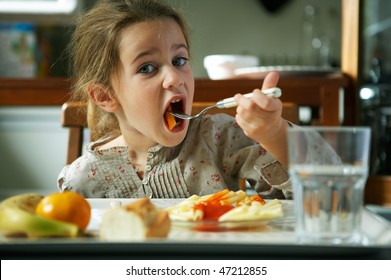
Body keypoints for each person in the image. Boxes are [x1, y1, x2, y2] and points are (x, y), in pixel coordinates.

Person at [58, 0, 292, 199]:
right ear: (104, 96)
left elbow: (320, 199)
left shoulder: (220, 138)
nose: (174, 78)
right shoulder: (83, 179)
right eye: (147, 68)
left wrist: (275, 135)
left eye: (179, 60)